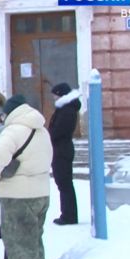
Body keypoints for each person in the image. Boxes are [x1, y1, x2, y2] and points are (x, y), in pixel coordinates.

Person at [0, 94, 53, 259]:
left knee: (20, 237)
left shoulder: (13, 130)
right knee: (33, 235)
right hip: (41, 190)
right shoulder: (41, 129)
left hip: (18, 193)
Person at [49, 83, 81, 225]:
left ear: (60, 94)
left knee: (64, 183)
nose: (53, 98)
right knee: (63, 183)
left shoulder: (66, 110)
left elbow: (58, 131)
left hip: (62, 150)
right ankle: (68, 214)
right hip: (61, 148)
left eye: (55, 95)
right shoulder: (66, 109)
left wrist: (49, 136)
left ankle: (69, 216)